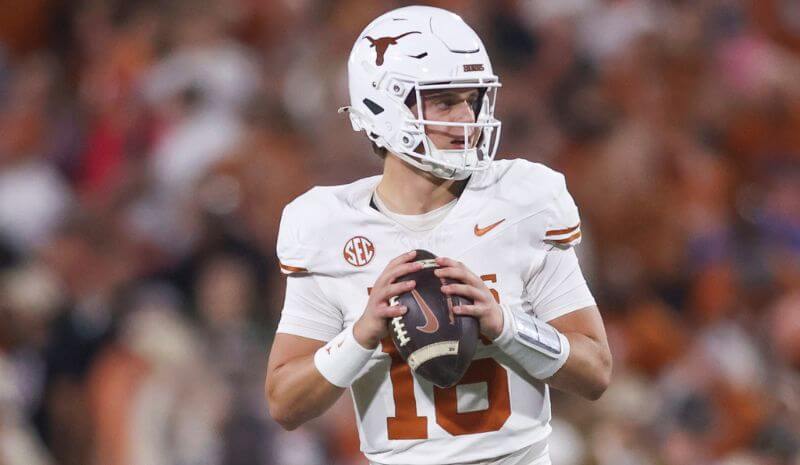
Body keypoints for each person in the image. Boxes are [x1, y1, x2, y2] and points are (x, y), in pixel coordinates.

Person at [265, 5, 612, 465]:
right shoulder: (329, 226)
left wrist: (505, 326)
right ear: (383, 107)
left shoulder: (521, 202)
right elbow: (284, 402)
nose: (467, 117)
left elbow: (595, 371)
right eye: (445, 101)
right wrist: (361, 335)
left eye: (472, 100)